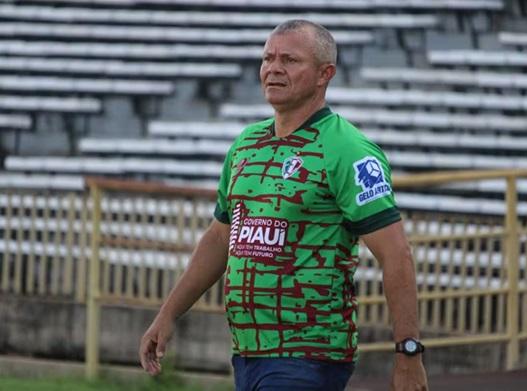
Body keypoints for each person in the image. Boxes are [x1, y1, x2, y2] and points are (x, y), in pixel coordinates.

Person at [139, 19, 428, 391]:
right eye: (268, 58)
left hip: (308, 352)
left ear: (325, 74)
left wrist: (408, 352)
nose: (273, 69)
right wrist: (168, 314)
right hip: (247, 353)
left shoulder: (348, 150)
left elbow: (396, 253)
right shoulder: (246, 144)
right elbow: (219, 238)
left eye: (289, 60)